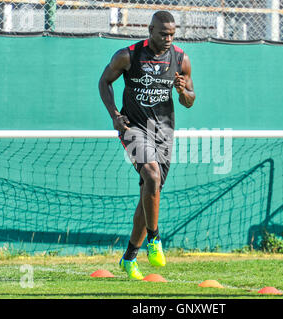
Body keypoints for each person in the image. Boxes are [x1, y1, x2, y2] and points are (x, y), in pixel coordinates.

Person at [98, 11, 195, 280]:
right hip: (134, 129)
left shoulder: (180, 58)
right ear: (150, 29)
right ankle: (154, 238)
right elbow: (104, 82)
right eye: (163, 33)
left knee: (149, 193)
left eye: (172, 34)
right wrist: (115, 116)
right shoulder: (128, 55)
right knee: (151, 175)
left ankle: (129, 258)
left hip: (163, 133)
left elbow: (190, 99)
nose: (168, 38)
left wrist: (182, 91)